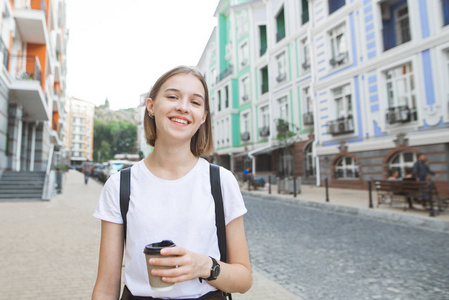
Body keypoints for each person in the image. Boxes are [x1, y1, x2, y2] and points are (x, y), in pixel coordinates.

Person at [92, 66, 252, 300]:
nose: (183, 107)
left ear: (203, 117)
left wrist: (204, 266)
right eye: (172, 96)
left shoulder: (221, 181)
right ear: (151, 107)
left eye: (195, 102)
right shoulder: (120, 186)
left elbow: (244, 279)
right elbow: (106, 288)